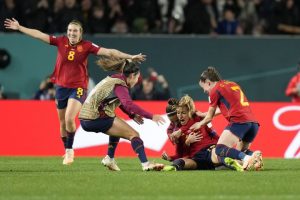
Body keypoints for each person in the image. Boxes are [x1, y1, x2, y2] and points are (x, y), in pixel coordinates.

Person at [4, 18, 146, 165]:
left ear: (80, 33)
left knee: (69, 118)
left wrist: (130, 56)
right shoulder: (60, 41)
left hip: (78, 87)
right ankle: (67, 149)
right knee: (62, 122)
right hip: (60, 87)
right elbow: (39, 35)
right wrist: (20, 27)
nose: (72, 33)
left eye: (75, 31)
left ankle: (70, 152)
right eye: (70, 30)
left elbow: (109, 52)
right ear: (67, 32)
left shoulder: (86, 46)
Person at [79, 58, 165, 171]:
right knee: (134, 135)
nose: (137, 80)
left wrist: (132, 115)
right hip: (95, 117)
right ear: (132, 75)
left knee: (118, 127)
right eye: (137, 77)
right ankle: (146, 164)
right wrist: (151, 116)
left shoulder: (114, 79)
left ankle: (109, 158)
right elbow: (128, 104)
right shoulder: (120, 84)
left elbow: (119, 103)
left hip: (85, 118)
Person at [190, 66, 263, 171]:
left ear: (208, 82)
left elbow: (209, 118)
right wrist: (204, 114)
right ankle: (255, 157)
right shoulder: (232, 84)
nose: (205, 91)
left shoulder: (214, 90)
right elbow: (225, 108)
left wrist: (199, 124)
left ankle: (247, 158)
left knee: (219, 149)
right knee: (240, 151)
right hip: (253, 124)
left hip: (239, 122)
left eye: (204, 88)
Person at [162, 95, 244, 172]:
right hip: (197, 159)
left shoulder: (198, 117)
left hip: (207, 150)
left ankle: (243, 159)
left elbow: (212, 132)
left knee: (218, 154)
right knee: (182, 162)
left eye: (183, 113)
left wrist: (220, 145)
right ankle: (173, 167)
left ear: (190, 112)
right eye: (178, 113)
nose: (180, 116)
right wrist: (187, 143)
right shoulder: (176, 131)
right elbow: (182, 153)